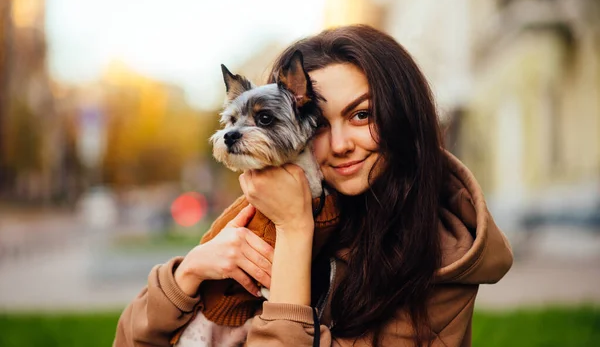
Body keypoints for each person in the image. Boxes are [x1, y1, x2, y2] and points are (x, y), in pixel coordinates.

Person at [113, 24, 513, 347]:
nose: (339, 145)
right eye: (320, 125)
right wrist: (189, 274)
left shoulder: (442, 255)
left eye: (362, 115)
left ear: (402, 115)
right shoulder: (266, 208)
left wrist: (294, 228)